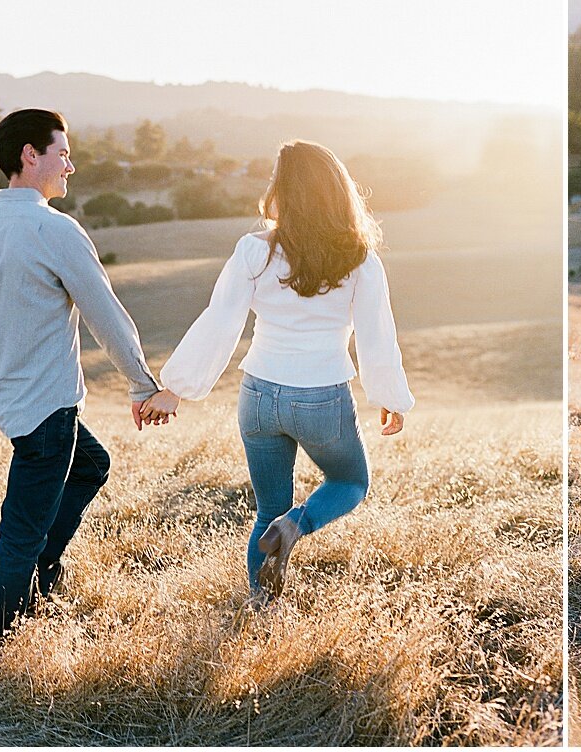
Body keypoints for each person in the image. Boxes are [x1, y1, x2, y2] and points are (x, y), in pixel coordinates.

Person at [140, 140, 413, 601]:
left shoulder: (254, 250)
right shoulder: (360, 259)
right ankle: (297, 526)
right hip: (321, 395)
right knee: (350, 482)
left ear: (282, 191)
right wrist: (390, 396)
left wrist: (175, 390)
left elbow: (220, 321)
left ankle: (261, 604)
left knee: (267, 509)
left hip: (259, 395)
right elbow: (376, 335)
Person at [0, 108, 165, 666]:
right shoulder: (54, 230)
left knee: (92, 464)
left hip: (14, 405)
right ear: (29, 155)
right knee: (18, 537)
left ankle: (43, 574)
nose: (72, 164)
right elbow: (106, 318)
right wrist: (142, 385)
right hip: (48, 409)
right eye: (62, 152)